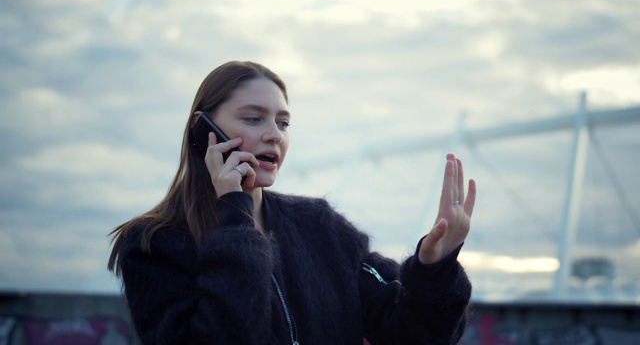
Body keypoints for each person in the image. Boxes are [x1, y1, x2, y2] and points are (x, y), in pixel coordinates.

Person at [108, 60, 477, 344]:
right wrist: (235, 220)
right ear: (204, 130)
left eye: (283, 123)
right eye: (254, 118)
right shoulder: (154, 243)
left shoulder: (320, 226)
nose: (274, 136)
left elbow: (416, 334)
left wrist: (433, 268)